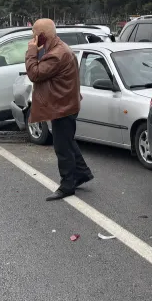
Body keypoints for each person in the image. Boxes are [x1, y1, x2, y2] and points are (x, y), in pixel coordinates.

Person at [25, 18, 94, 201]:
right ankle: (82, 173)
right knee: (67, 141)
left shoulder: (57, 54)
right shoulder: (57, 48)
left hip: (63, 106)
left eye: (34, 36)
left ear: (42, 36)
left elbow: (35, 73)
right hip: (65, 104)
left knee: (62, 147)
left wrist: (32, 51)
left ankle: (67, 186)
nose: (33, 39)